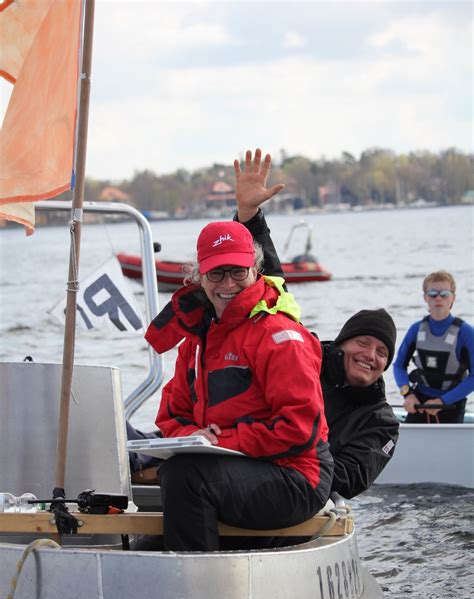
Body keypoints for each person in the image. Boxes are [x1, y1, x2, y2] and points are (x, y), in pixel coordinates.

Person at [143, 219, 334, 551]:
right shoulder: (195, 340)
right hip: (229, 468)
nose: (227, 283)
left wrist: (221, 442)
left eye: (238, 272)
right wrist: (190, 437)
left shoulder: (279, 336)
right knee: (172, 470)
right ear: (199, 277)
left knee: (185, 475)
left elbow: (299, 428)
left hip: (298, 476)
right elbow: (171, 414)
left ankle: (197, 590)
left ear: (256, 271)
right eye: (216, 273)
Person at [232, 148, 400, 499]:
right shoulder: (300, 353)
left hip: (301, 496)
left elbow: (351, 478)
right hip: (241, 465)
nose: (371, 354)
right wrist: (249, 215)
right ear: (342, 342)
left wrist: (293, 444)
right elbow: (271, 286)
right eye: (363, 342)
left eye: (383, 352)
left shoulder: (381, 421)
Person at [393, 270, 474, 423]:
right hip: (419, 402)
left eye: (444, 293)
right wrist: (408, 394)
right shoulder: (416, 330)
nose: (438, 298)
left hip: (451, 404)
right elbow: (398, 366)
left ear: (453, 298)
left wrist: (442, 401)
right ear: (425, 297)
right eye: (432, 293)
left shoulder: (466, 332)